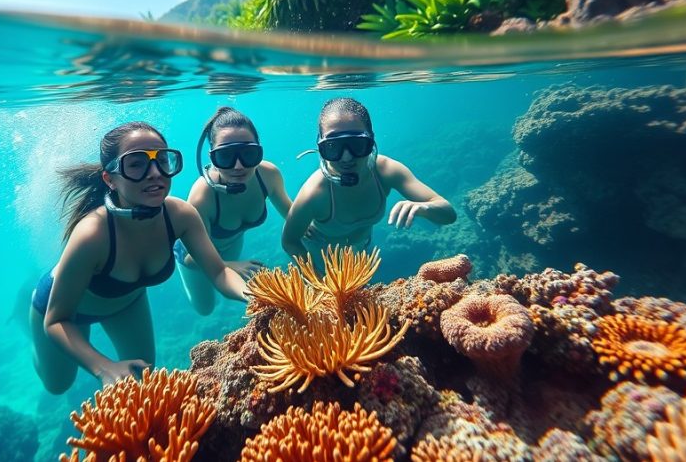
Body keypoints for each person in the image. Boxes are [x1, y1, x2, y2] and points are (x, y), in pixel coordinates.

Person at [30, 122, 248, 393]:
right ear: (109, 179)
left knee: (144, 379)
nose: (155, 173)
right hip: (61, 310)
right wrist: (103, 366)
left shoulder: (180, 215)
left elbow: (217, 272)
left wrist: (252, 294)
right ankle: (31, 336)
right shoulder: (91, 234)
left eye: (163, 161)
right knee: (58, 385)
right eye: (136, 164)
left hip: (126, 302)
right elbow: (56, 320)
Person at [281, 97, 456, 265]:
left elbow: (449, 214)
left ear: (371, 141)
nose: (347, 157)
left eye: (357, 144)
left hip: (361, 252)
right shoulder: (314, 192)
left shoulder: (386, 171)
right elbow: (289, 241)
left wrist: (424, 208)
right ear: (320, 147)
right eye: (333, 147)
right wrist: (317, 279)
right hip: (319, 258)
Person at [181, 107, 292, 315]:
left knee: (226, 286)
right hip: (193, 257)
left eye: (249, 154)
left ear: (259, 151)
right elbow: (191, 257)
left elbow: (292, 215)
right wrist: (229, 264)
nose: (238, 166)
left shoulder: (268, 175)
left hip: (232, 242)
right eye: (225, 156)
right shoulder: (202, 196)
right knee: (205, 308)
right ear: (212, 158)